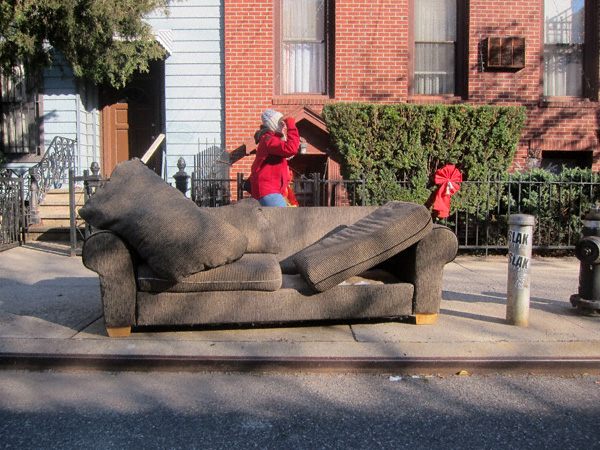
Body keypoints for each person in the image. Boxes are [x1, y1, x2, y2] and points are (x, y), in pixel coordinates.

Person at [250, 109, 300, 207]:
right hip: (269, 190)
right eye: (281, 123)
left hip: (271, 191)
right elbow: (291, 148)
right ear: (273, 124)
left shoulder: (271, 140)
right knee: (282, 217)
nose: (284, 126)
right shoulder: (269, 140)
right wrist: (291, 126)